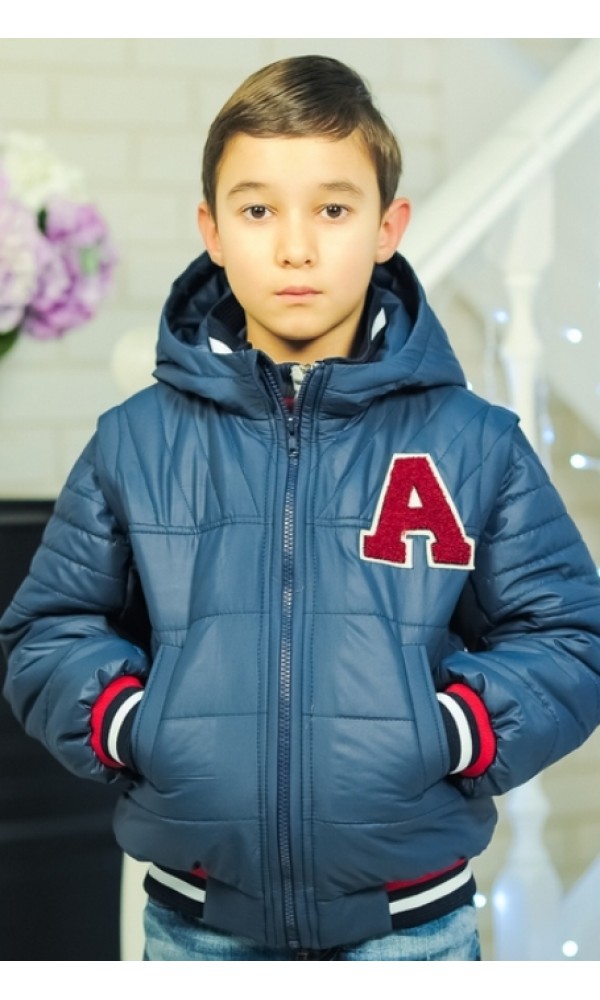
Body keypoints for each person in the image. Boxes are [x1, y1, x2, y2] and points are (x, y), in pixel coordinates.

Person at [2, 54, 600, 963]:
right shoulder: (136, 441)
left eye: (332, 209)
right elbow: (49, 629)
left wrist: (452, 730)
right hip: (197, 930)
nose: (295, 248)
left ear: (388, 227)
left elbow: (569, 636)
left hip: (413, 932)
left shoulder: (473, 443)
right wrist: (133, 723)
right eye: (257, 211)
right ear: (210, 229)